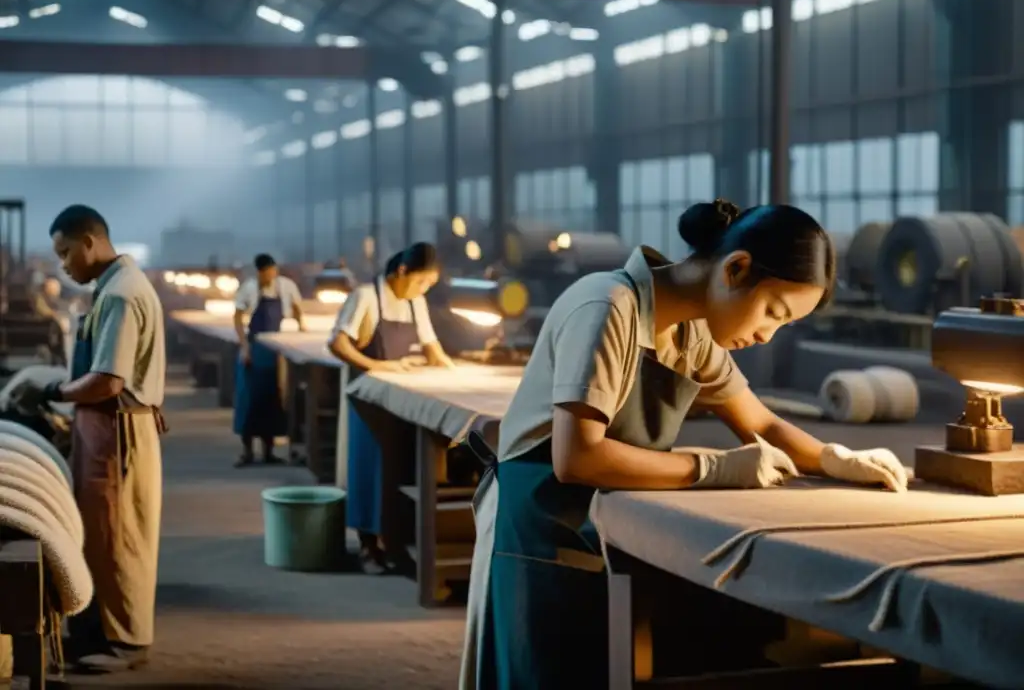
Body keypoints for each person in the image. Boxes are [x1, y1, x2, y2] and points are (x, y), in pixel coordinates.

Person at [459, 200, 910, 690]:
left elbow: (761, 423)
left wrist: (834, 458)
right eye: (772, 312)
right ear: (735, 269)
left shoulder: (694, 334)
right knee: (540, 670)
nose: (765, 335)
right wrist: (714, 468)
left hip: (602, 524)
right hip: (539, 527)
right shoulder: (609, 306)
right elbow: (577, 457)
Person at [18, 204, 167, 674]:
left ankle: (127, 642)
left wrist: (50, 391)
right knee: (102, 535)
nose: (63, 265)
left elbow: (107, 381)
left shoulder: (121, 294)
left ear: (90, 242)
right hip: (103, 428)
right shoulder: (112, 288)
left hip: (117, 431)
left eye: (65, 253)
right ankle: (102, 630)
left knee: (119, 536)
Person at [327, 242, 456, 574]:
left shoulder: (415, 302)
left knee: (395, 473)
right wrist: (375, 365)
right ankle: (369, 548)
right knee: (368, 471)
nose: (422, 290)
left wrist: (453, 371)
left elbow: (431, 347)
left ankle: (397, 545)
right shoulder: (365, 297)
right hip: (368, 398)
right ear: (402, 271)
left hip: (400, 402)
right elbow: (338, 343)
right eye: (421, 282)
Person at [232, 253, 305, 467]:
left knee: (272, 400)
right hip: (254, 349)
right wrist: (244, 347)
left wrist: (301, 330)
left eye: (272, 271)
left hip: (276, 351)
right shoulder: (249, 288)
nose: (269, 275)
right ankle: (247, 452)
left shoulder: (286, 287)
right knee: (249, 400)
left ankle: (269, 452)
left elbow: (298, 310)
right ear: (258, 272)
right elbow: (237, 317)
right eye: (264, 272)